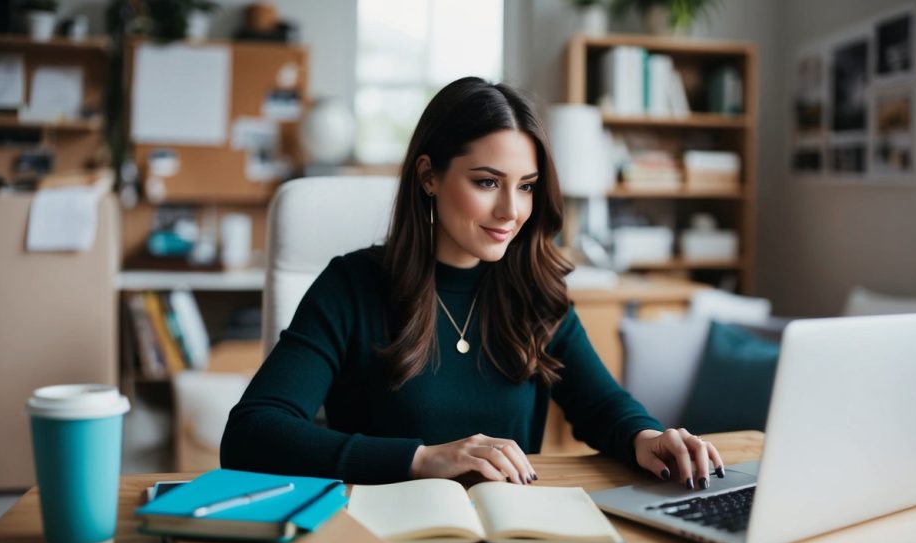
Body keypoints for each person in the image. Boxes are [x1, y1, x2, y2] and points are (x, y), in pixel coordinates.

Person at [220, 77, 724, 491]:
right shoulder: (352, 287)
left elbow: (602, 406)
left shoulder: (533, 291)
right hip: (385, 538)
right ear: (428, 177)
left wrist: (646, 436)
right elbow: (252, 432)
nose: (511, 211)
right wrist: (419, 460)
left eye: (525, 186)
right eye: (487, 182)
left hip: (511, 539)